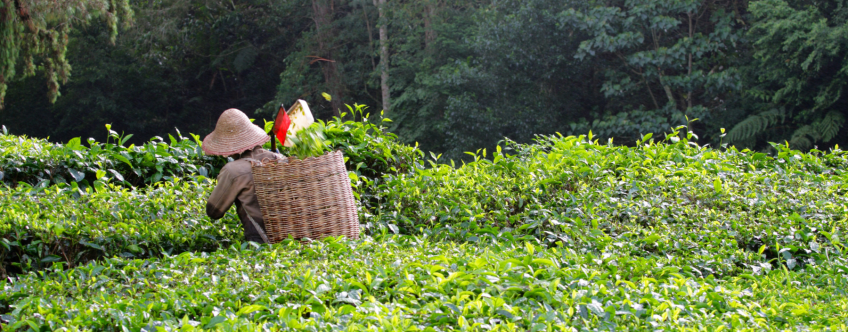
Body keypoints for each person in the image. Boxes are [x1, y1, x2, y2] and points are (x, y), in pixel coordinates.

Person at [203, 108, 282, 243]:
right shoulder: (280, 159)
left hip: (259, 242)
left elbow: (214, 212)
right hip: (293, 236)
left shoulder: (233, 171)